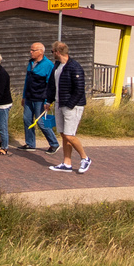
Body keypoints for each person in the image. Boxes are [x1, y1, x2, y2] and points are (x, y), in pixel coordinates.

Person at [49, 41, 90, 174]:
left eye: (52, 52)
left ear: (57, 52)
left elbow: (79, 90)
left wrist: (70, 105)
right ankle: (67, 163)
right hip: (59, 104)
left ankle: (85, 158)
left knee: (69, 135)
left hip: (72, 106)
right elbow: (52, 85)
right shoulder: (57, 66)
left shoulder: (74, 67)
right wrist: (49, 101)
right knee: (63, 134)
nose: (52, 54)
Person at [20, 40, 57, 153]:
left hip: (40, 98)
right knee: (27, 119)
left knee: (40, 122)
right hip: (29, 97)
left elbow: (50, 84)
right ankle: (30, 144)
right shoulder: (31, 63)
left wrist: (48, 101)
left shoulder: (49, 65)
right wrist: (24, 95)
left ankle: (54, 144)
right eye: (30, 50)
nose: (30, 52)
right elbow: (27, 80)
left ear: (40, 52)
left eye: (33, 50)